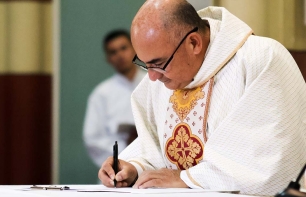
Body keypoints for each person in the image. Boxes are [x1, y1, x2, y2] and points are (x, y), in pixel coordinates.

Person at [98, 0, 306, 196]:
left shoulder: (261, 59)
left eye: (159, 63)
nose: (151, 77)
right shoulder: (161, 77)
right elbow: (153, 147)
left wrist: (187, 178)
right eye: (144, 64)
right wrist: (133, 166)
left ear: (194, 43)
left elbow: (269, 160)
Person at [83, 30, 146, 167]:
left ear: (135, 49)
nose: (120, 55)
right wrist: (127, 147)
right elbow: (93, 139)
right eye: (113, 52)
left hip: (155, 165)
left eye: (123, 48)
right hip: (118, 166)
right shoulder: (101, 94)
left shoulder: (153, 82)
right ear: (108, 58)